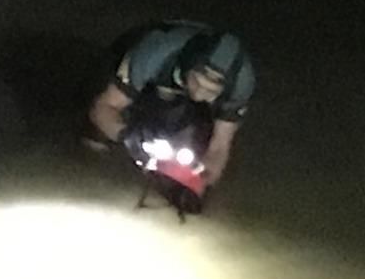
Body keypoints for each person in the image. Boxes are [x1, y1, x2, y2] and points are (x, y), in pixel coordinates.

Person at [85, 19, 255, 194]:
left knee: (192, 131)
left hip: (178, 82)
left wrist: (198, 181)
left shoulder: (241, 84)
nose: (200, 94)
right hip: (142, 48)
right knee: (99, 108)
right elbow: (104, 107)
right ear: (189, 65)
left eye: (211, 91)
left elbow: (220, 146)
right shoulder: (155, 54)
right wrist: (127, 136)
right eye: (197, 82)